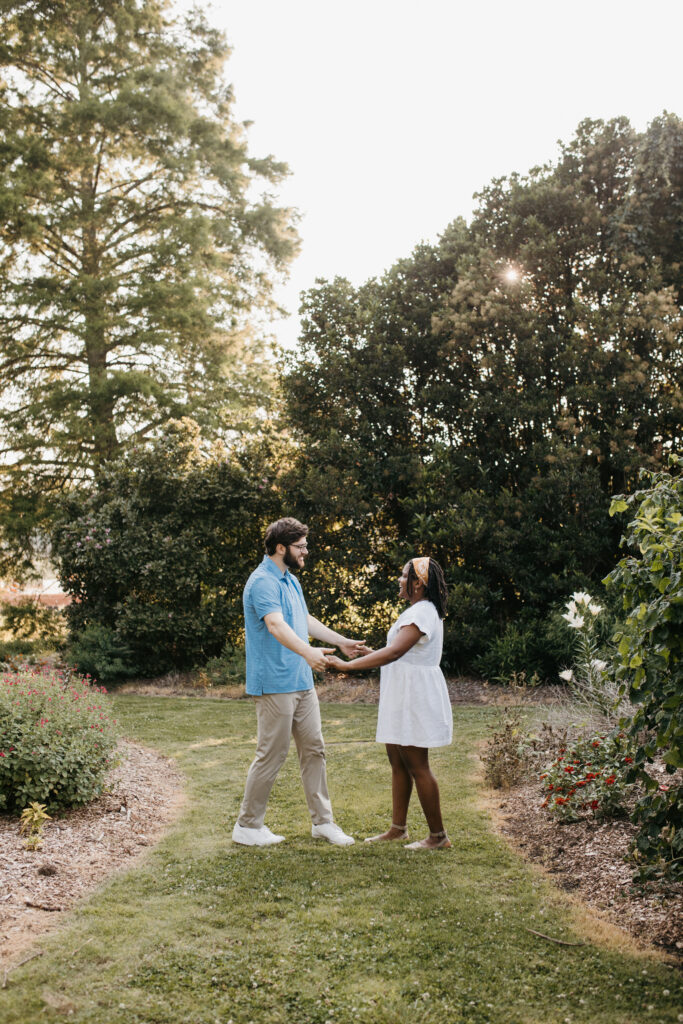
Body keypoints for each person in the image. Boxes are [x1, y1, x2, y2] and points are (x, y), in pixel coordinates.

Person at [232, 517, 366, 848]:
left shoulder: (289, 580)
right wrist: (308, 652)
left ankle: (323, 823)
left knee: (314, 750)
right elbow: (276, 626)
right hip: (275, 682)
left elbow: (302, 618)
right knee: (272, 754)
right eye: (301, 546)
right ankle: (248, 826)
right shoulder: (262, 581)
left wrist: (342, 642)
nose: (306, 552)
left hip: (301, 682)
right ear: (281, 548)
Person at [326, 556, 452, 850]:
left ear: (418, 584)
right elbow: (400, 652)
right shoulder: (418, 610)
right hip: (402, 692)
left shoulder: (422, 613)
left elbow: (394, 653)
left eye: (404, 575)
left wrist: (345, 667)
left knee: (418, 764)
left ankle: (438, 836)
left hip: (414, 697)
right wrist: (368, 652)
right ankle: (398, 829)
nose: (399, 579)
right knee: (397, 761)